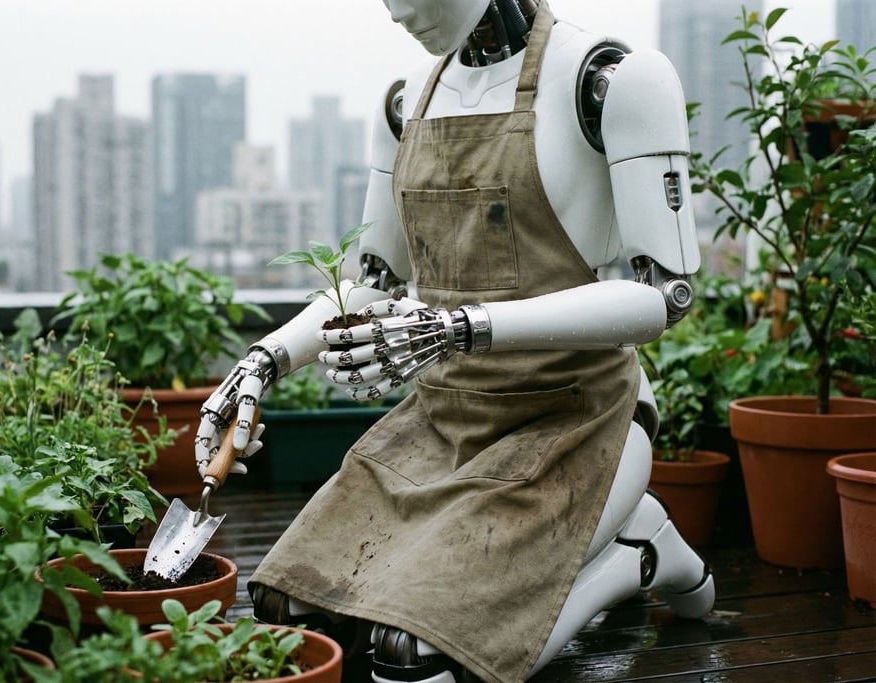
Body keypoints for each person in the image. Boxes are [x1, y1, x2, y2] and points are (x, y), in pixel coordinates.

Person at [195, 1, 712, 681]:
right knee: (292, 605)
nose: (399, 8)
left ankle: (635, 555)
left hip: (575, 424)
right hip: (438, 426)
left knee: (411, 654)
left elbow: (666, 295)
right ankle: (625, 547)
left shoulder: (610, 81)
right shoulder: (407, 104)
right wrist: (263, 361)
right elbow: (373, 280)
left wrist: (460, 326)